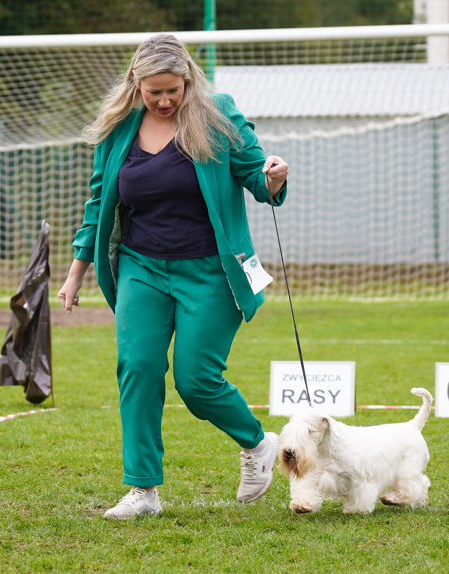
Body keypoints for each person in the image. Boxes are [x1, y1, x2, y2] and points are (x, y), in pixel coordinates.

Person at [57, 33, 289, 520]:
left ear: (188, 80)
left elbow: (255, 174)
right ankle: (143, 490)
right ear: (136, 85)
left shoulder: (217, 112)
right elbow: (99, 202)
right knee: (138, 368)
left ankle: (257, 443)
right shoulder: (119, 128)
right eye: (153, 92)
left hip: (211, 271)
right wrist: (76, 273)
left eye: (173, 90)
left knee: (196, 380)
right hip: (141, 267)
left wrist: (273, 175)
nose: (164, 101)